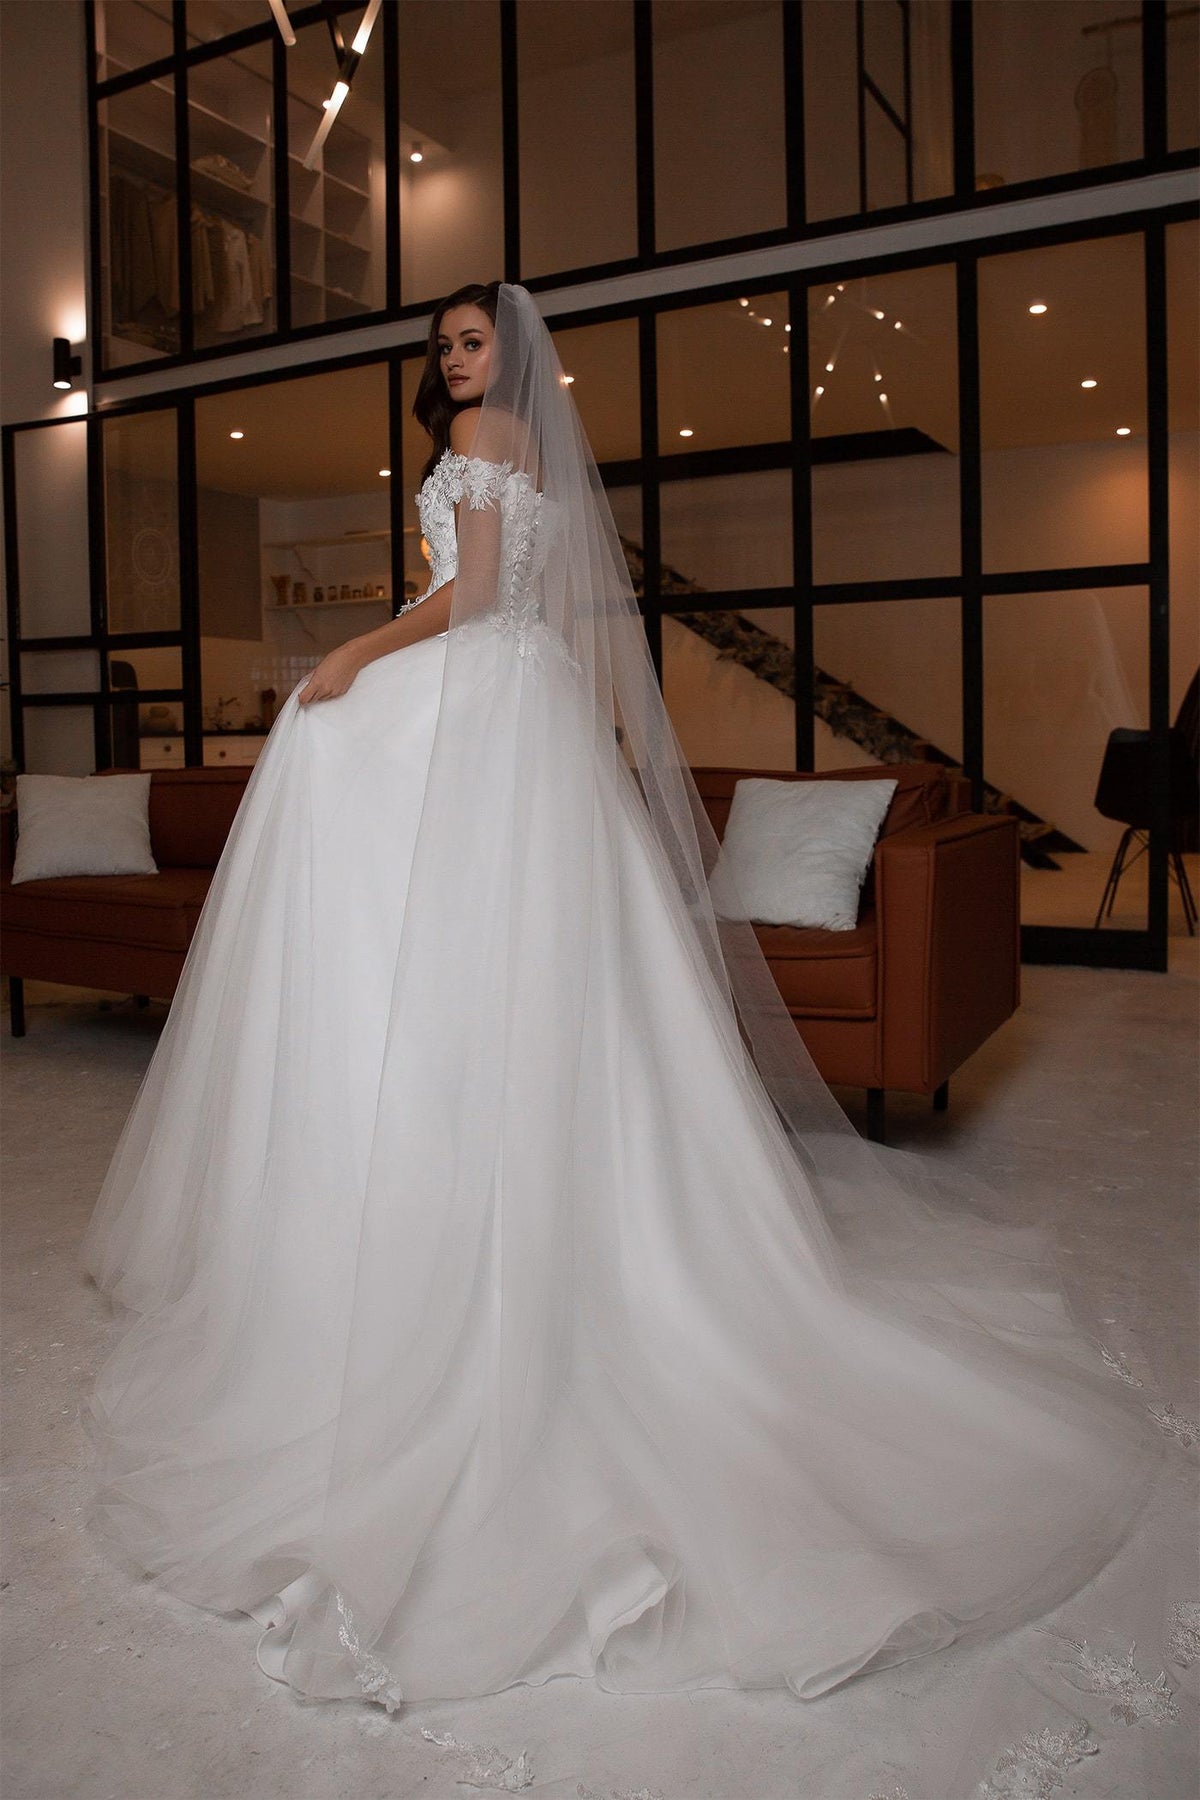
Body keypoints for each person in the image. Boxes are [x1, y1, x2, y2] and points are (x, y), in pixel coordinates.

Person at [81, 283, 1161, 1755]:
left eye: (471, 340)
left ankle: (400, 1190)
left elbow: (471, 598)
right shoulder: (521, 439)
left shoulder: (485, 438)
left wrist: (350, 656)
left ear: (509, 355)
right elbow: (502, 596)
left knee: (354, 804)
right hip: (520, 710)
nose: (454, 361)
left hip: (480, 691)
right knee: (525, 959)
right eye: (443, 346)